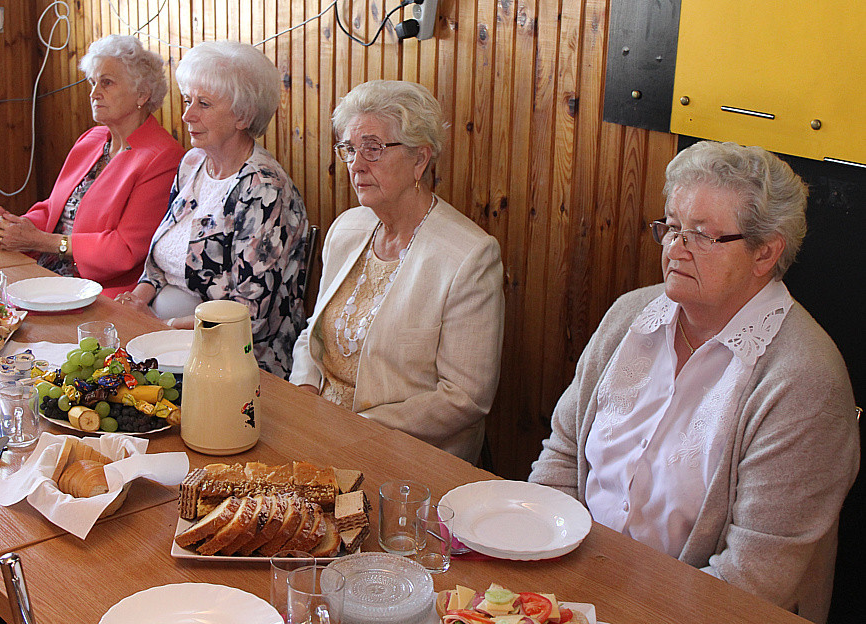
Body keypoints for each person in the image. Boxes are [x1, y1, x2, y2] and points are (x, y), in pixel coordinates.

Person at [528, 141, 859, 623]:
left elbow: (753, 580)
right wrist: (546, 569)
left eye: (702, 235)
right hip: (578, 590)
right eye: (672, 227)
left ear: (765, 253)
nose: (675, 248)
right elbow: (562, 452)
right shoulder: (630, 315)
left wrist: (612, 608)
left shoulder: (804, 381)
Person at [289, 80, 505, 464]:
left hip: (406, 453)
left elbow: (465, 398)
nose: (356, 165)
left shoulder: (469, 256)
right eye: (350, 149)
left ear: (419, 159)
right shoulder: (347, 228)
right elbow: (313, 333)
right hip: (319, 427)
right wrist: (304, 394)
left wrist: (355, 426)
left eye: (372, 149)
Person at [115, 41, 308, 379]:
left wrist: (164, 327)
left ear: (243, 116)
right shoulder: (193, 164)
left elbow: (248, 315)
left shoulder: (264, 190)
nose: (188, 115)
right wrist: (138, 299)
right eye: (188, 101)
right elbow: (162, 258)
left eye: (203, 104)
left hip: (235, 359)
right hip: (169, 338)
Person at [0, 35, 184, 297]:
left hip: (100, 290)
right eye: (93, 82)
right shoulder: (91, 139)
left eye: (107, 83)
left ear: (143, 94)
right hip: (48, 268)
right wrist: (15, 227)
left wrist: (38, 240)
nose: (94, 93)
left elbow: (123, 251)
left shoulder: (163, 157)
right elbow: (55, 210)